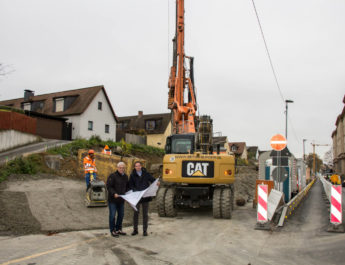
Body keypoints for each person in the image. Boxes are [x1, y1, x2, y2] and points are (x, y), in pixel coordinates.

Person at [129, 161, 159, 236]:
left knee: (145, 214)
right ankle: (135, 230)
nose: (138, 167)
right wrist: (136, 191)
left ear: (141, 166)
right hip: (137, 197)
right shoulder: (132, 175)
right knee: (136, 214)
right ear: (134, 167)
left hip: (145, 197)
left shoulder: (146, 174)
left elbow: (153, 180)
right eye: (136, 166)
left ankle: (145, 231)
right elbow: (131, 185)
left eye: (139, 166)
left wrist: (157, 183)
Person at [106, 161, 129, 237]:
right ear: (117, 168)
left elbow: (127, 187)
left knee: (121, 215)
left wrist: (127, 195)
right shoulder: (112, 176)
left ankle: (119, 229)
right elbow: (109, 186)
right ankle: (112, 230)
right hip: (113, 200)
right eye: (120, 167)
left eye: (123, 168)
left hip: (121, 200)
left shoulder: (125, 176)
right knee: (112, 215)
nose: (122, 169)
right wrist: (114, 193)